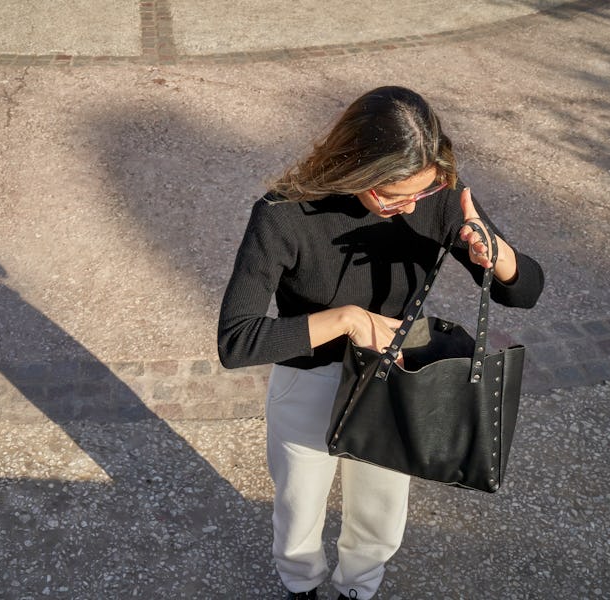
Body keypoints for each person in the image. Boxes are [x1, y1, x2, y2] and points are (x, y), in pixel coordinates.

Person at [217, 86, 544, 599]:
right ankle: (299, 587)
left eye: (421, 191)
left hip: (395, 379)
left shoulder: (436, 194)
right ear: (357, 165)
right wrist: (347, 319)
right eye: (393, 195)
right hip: (309, 380)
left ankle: (358, 590)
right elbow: (237, 341)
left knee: (380, 512)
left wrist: (493, 249)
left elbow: (525, 291)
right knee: (299, 507)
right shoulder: (282, 213)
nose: (410, 205)